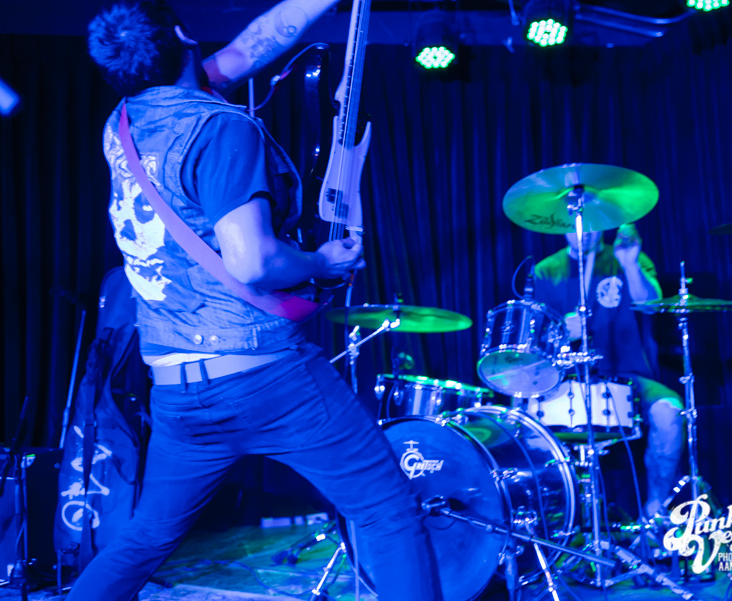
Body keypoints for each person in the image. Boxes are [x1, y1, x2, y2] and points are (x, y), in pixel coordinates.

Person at [71, 1, 441, 599]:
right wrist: (323, 262)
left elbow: (249, 49)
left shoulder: (124, 123)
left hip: (177, 389)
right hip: (263, 376)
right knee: (386, 511)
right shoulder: (221, 127)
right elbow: (254, 262)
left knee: (144, 539)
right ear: (184, 35)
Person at [532, 223, 684, 520]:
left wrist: (630, 264)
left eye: (590, 224)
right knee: (528, 425)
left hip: (629, 378)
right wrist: (562, 331)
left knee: (670, 413)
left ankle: (655, 514)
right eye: (574, 225)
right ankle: (556, 520)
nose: (582, 232)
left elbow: (651, 305)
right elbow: (536, 339)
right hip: (566, 381)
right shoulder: (546, 270)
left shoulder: (626, 257)